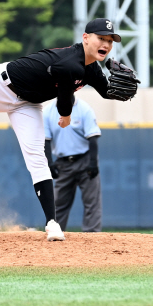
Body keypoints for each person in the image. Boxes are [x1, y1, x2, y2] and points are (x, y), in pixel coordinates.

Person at [0, 18, 139, 241]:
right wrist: (66, 116)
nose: (107, 44)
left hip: (27, 103)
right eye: (101, 38)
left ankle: (52, 223)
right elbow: (65, 98)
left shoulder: (91, 68)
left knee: (36, 157)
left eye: (111, 40)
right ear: (85, 38)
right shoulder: (70, 62)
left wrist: (123, 90)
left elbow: (106, 91)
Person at [44, 97, 102, 233]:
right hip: (63, 163)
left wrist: (93, 163)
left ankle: (92, 235)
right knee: (58, 204)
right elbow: (45, 140)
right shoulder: (48, 111)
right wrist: (49, 164)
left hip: (85, 159)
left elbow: (93, 137)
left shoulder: (84, 108)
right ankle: (56, 233)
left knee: (91, 201)